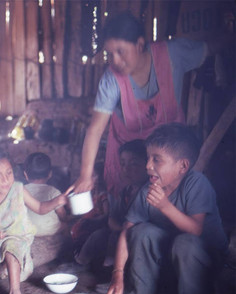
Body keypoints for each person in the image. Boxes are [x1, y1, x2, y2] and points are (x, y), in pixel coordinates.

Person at [71, 11, 211, 196]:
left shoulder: (173, 54)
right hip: (128, 158)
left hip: (168, 155)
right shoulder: (111, 79)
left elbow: (212, 47)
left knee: (171, 207)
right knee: (126, 209)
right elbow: (95, 130)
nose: (116, 61)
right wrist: (85, 174)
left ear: (139, 44)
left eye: (121, 51)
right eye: (110, 54)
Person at [105, 123, 228, 294]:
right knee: (141, 231)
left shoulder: (196, 183)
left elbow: (196, 230)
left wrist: (165, 206)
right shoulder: (147, 190)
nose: (147, 166)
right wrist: (117, 274)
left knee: (185, 242)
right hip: (171, 259)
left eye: (156, 159)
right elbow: (126, 231)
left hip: (205, 261)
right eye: (148, 157)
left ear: (182, 166)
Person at [0, 146, 69, 294]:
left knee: (10, 246)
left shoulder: (17, 189)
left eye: (9, 173)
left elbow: (40, 208)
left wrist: (56, 202)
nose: (6, 180)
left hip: (19, 236)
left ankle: (15, 292)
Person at [75, 139, 147, 268]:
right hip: (120, 231)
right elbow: (112, 218)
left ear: (148, 165)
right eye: (123, 164)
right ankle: (80, 264)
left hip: (137, 238)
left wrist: (121, 231)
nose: (126, 169)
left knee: (116, 238)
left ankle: (110, 271)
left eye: (134, 164)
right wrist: (117, 227)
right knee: (99, 235)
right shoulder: (125, 191)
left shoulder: (149, 193)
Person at [23, 152, 67, 236]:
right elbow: (61, 214)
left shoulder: (21, 190)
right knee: (65, 226)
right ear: (50, 174)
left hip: (26, 230)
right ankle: (71, 246)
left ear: (25, 174)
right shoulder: (53, 191)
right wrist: (65, 219)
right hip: (49, 230)